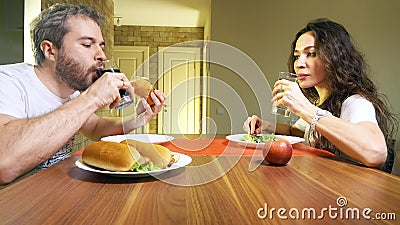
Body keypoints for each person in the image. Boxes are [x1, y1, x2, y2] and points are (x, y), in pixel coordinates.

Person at [0, 4, 167, 185]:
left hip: (57, 194)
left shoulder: (71, 92)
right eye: (87, 45)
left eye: (101, 46)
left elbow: (96, 128)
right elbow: (4, 164)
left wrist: (139, 119)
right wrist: (92, 98)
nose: (102, 55)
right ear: (50, 50)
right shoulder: (8, 81)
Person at [244, 18, 398, 171]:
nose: (299, 64)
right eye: (297, 56)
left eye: (311, 53)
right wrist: (265, 126)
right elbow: (296, 132)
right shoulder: (321, 101)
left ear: (335, 57)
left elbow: (376, 153)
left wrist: (304, 108)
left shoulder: (355, 102)